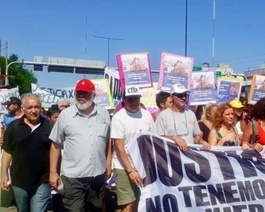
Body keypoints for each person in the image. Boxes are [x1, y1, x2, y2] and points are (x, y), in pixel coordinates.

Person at [49, 79, 112, 211]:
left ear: (94, 95)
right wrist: (53, 172)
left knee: (96, 208)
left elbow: (107, 141)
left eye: (85, 93)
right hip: (73, 177)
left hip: (97, 175)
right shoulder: (65, 116)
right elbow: (55, 145)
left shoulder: (104, 114)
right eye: (79, 93)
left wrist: (108, 163)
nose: (81, 96)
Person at [1, 93, 53, 212]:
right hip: (19, 180)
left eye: (37, 107)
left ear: (41, 108)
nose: (33, 111)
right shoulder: (14, 127)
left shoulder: (50, 126)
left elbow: (56, 151)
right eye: (30, 107)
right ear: (23, 109)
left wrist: (54, 173)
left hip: (42, 180)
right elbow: (8, 151)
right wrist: (4, 174)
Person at [112, 86, 154, 212]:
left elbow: (152, 141)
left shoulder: (147, 115)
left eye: (136, 98)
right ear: (124, 100)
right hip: (123, 167)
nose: (133, 101)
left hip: (143, 167)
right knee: (128, 204)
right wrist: (130, 171)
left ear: (140, 99)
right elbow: (119, 148)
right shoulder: (118, 118)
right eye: (130, 99)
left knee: (140, 203)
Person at [155, 83, 209, 150]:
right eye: (180, 95)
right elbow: (157, 139)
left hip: (190, 156)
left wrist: (202, 142)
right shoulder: (163, 116)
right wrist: (173, 138)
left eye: (185, 95)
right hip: (173, 157)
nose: (183, 98)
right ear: (172, 97)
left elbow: (196, 136)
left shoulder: (191, 114)